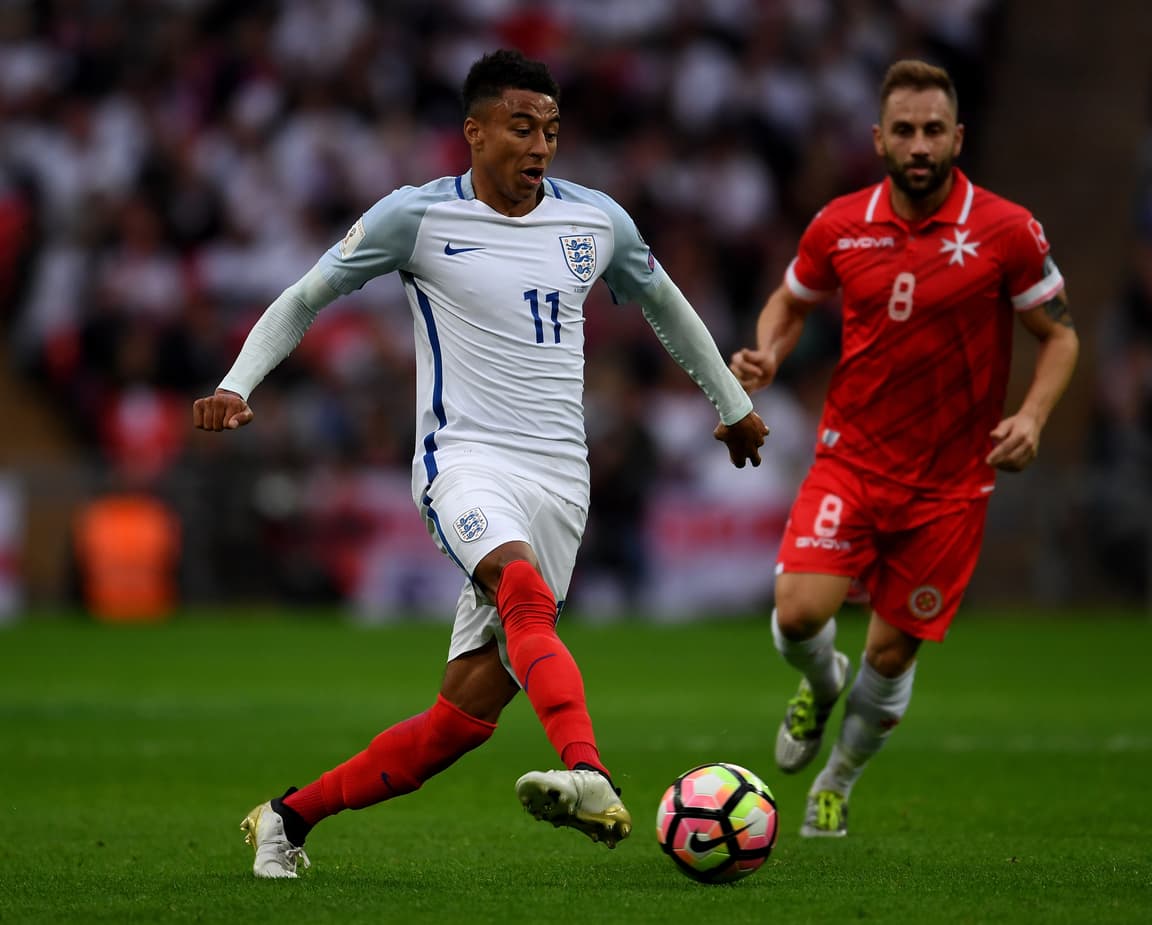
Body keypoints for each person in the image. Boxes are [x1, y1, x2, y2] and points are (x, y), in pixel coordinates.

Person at [194, 49, 769, 878]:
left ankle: (286, 818)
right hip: (462, 463)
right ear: (475, 131)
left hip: (561, 485)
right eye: (522, 127)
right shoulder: (414, 217)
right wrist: (236, 383)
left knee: (454, 725)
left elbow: (664, 302)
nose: (540, 146)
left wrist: (732, 406)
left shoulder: (595, 221)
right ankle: (589, 772)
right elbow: (305, 296)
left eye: (552, 131)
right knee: (522, 588)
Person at [730, 59, 1078, 838]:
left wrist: (1033, 417)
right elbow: (790, 298)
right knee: (795, 615)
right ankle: (821, 684)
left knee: (891, 658)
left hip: (951, 486)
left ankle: (839, 777)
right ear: (879, 139)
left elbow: (1059, 337)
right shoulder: (839, 224)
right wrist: (769, 353)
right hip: (850, 458)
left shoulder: (1008, 230)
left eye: (933, 130)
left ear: (958, 136)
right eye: (904, 131)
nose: (919, 144)